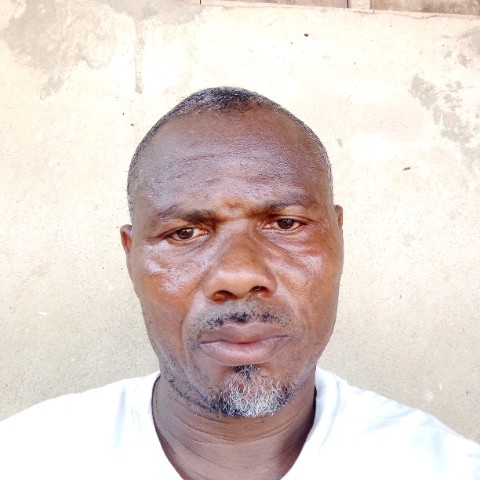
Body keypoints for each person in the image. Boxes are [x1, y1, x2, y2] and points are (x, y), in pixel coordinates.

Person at [0, 87, 478, 480]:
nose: (239, 275)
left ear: (337, 236)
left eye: (286, 224)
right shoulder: (26, 459)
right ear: (132, 257)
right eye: (184, 233)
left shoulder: (446, 467)